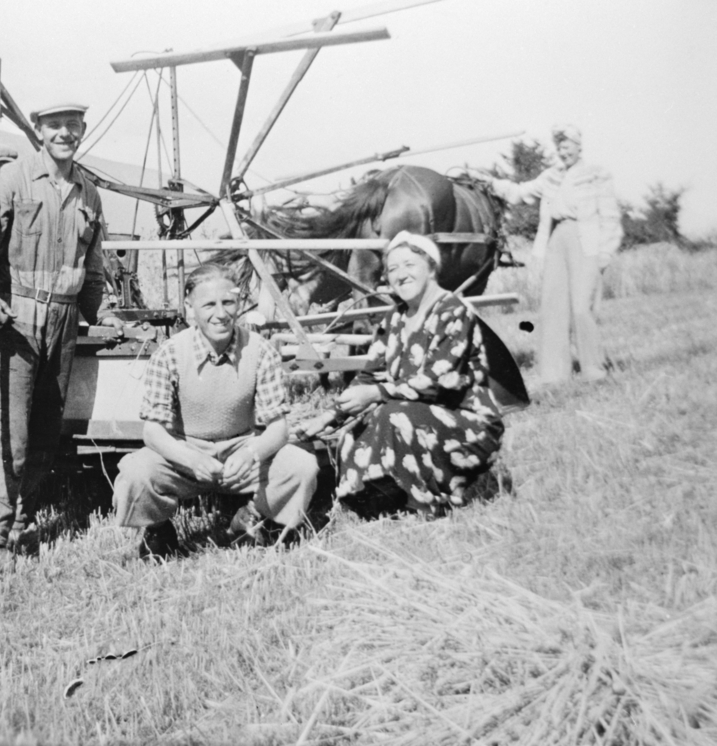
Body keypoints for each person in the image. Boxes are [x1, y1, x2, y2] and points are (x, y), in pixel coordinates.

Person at [0, 101, 123, 558]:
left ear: (83, 129)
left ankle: (18, 523)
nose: (65, 133)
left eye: (73, 126)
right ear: (38, 130)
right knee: (10, 432)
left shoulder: (89, 194)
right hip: (18, 319)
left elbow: (91, 273)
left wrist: (103, 314)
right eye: (55, 126)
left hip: (65, 320)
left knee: (48, 432)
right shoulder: (11, 180)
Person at [112, 263, 318, 559]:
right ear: (188, 307)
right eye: (209, 304)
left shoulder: (260, 351)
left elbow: (278, 428)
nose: (220, 314)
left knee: (302, 466)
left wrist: (251, 454)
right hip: (187, 451)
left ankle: (252, 517)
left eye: (228, 302)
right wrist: (191, 458)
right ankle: (158, 530)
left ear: (240, 303)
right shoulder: (169, 354)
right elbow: (153, 432)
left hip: (242, 447)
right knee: (135, 472)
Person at [300, 232, 504, 516]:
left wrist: (377, 394)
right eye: (392, 269)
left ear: (431, 267)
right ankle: (373, 500)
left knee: (393, 415)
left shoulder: (454, 312)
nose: (401, 275)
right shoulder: (394, 318)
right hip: (415, 412)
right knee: (352, 431)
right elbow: (369, 377)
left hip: (468, 423)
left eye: (409, 265)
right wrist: (330, 415)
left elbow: (438, 380)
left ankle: (425, 505)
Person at [485, 125, 623, 385]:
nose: (563, 151)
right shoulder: (550, 176)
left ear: (579, 146)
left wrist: (606, 251)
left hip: (586, 239)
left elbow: (610, 215)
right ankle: (554, 374)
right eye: (559, 146)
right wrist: (490, 182)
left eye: (567, 145)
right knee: (553, 306)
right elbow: (518, 193)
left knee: (582, 307)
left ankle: (594, 370)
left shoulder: (596, 175)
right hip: (556, 239)